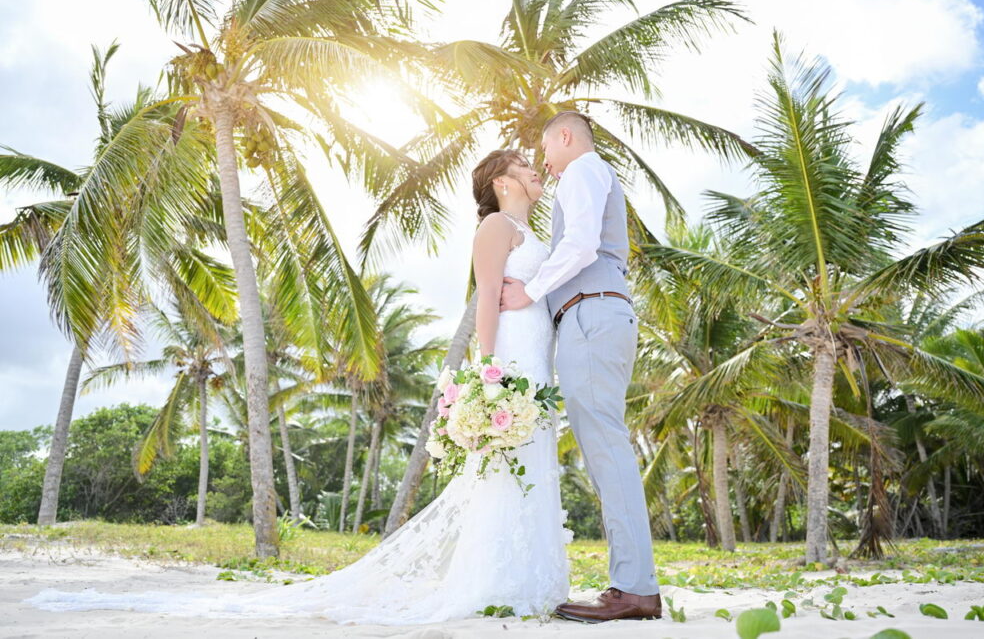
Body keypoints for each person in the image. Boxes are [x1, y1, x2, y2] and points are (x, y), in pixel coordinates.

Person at [22, 149, 572, 625]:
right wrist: (488, 376)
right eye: (524, 165)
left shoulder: (535, 234)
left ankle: (526, 578)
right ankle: (500, 584)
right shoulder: (496, 229)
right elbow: (485, 303)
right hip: (511, 363)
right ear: (502, 182)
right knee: (504, 465)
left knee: (529, 459)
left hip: (536, 358)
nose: (533, 170)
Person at [500, 111, 662, 622]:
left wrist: (529, 290)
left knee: (607, 449)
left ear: (565, 138)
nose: (545, 166)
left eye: (546, 152)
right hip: (591, 315)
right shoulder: (584, 174)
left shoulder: (584, 170)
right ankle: (633, 584)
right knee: (603, 450)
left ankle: (634, 588)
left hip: (592, 311)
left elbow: (581, 243)